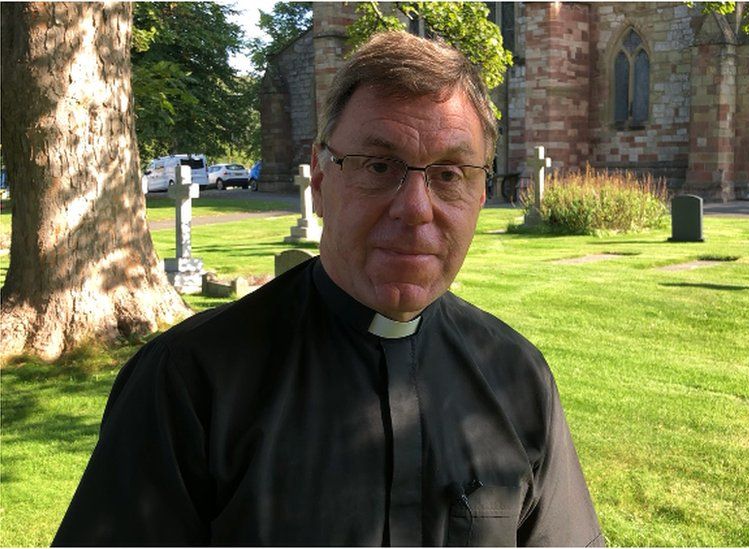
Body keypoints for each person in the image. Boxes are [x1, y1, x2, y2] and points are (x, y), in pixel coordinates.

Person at [53, 31, 603, 547]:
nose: (415, 209)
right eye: (379, 165)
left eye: (450, 175)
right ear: (320, 176)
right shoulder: (190, 383)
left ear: (482, 193)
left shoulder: (518, 377)